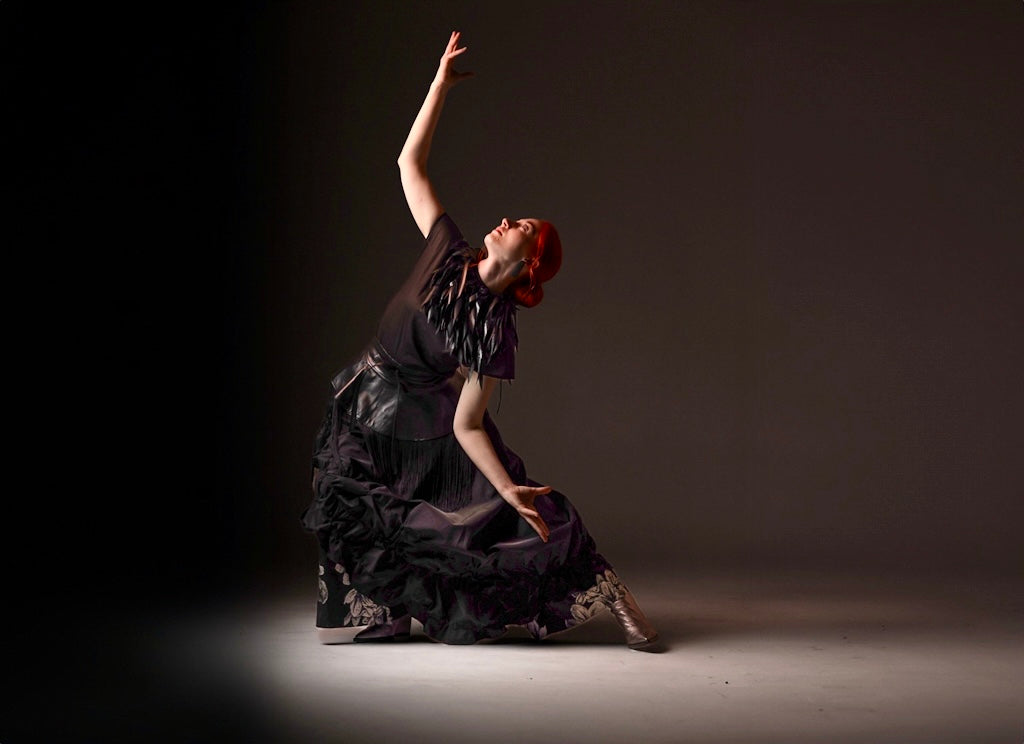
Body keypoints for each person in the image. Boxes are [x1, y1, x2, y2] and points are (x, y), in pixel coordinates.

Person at [300, 31, 659, 650]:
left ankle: (610, 592)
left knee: (509, 519)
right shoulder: (446, 251)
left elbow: (469, 425)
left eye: (521, 227)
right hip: (363, 405)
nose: (505, 221)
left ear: (528, 264)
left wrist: (503, 487)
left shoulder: (495, 332)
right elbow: (408, 164)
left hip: (432, 433)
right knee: (347, 505)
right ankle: (384, 610)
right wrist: (438, 86)